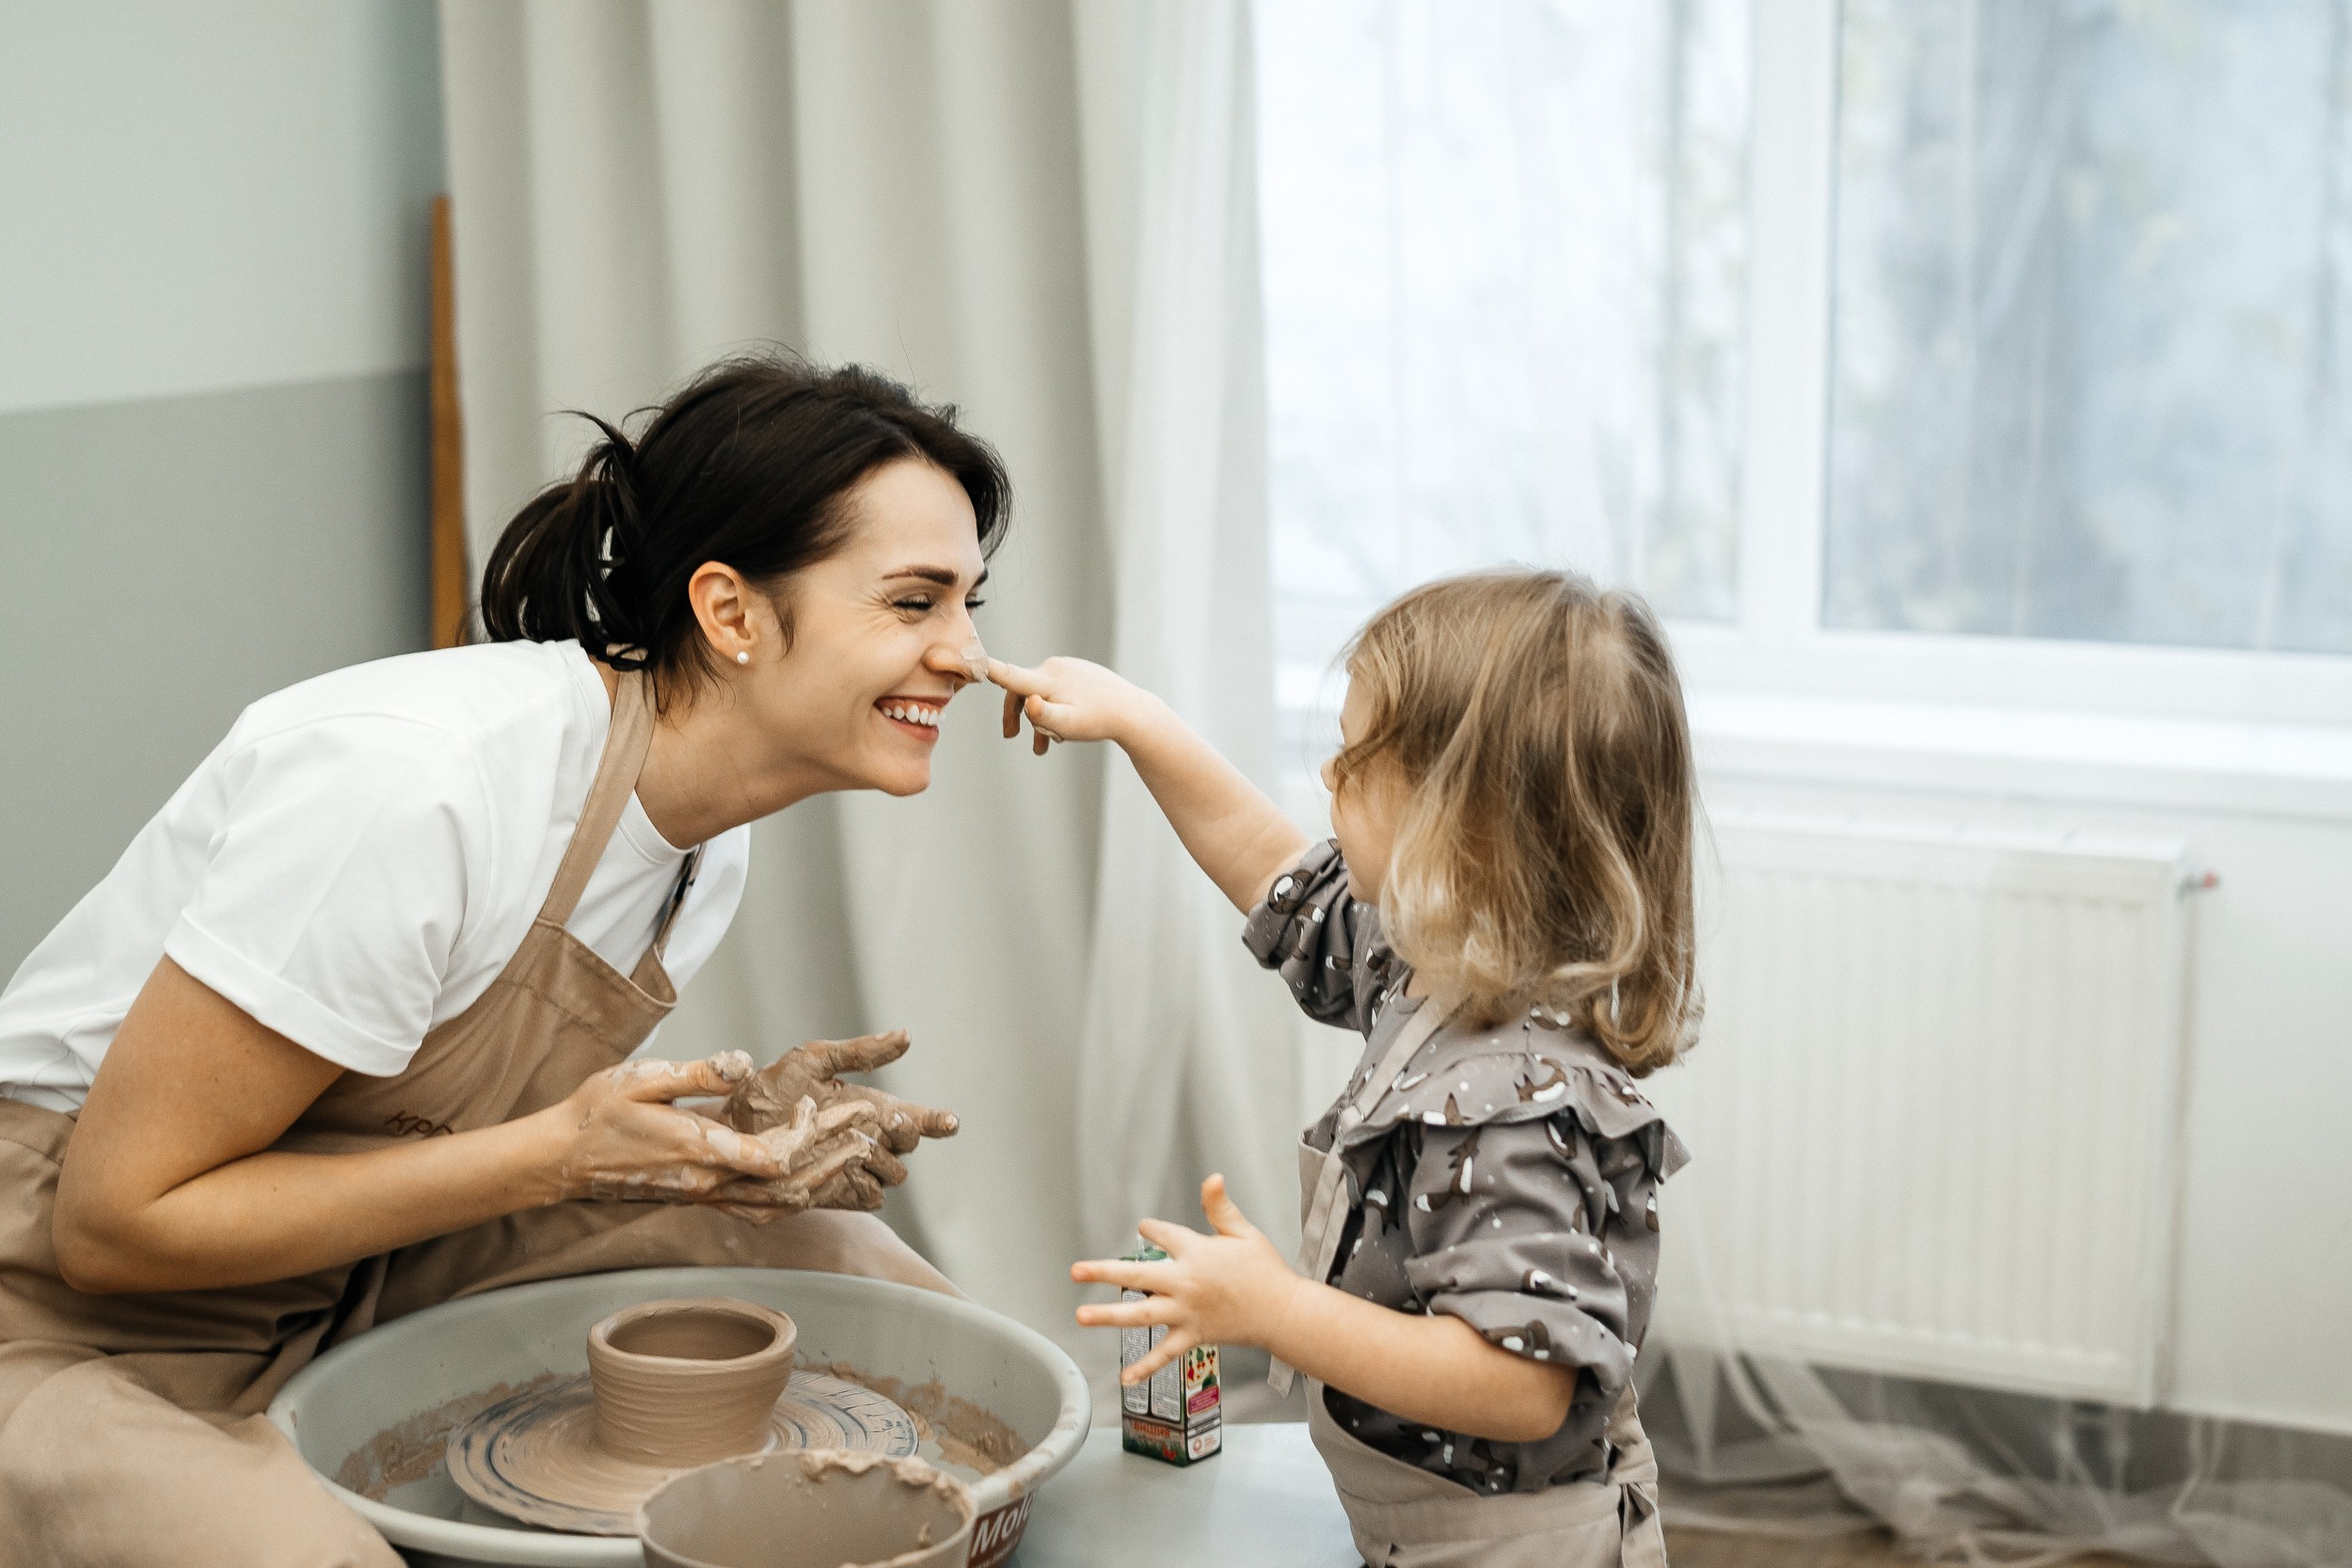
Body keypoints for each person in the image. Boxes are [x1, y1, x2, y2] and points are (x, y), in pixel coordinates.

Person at [0, 355, 997, 1566]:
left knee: (856, 1274)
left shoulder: (702, 849)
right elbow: (116, 1225)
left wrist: (714, 1143)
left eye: (970, 605)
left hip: (347, 1264)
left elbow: (431, 1129)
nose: (967, 654)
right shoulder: (420, 785)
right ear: (730, 612)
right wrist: (565, 1155)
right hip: (60, 1312)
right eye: (913, 603)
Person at [993, 569, 1696, 1568]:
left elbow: (1517, 1385)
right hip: (1415, 1519)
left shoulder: (1517, 1097)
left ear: (1466, 824)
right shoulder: (1436, 967)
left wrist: (1274, 1307)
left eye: (1355, 757)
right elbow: (1271, 864)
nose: (1326, 777)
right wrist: (1138, 723)